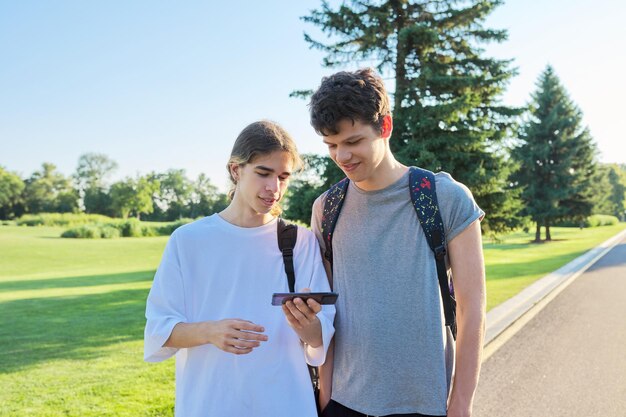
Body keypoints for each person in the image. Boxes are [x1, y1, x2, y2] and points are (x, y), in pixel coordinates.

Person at [308, 68, 486, 417]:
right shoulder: (325, 209)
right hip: (344, 403)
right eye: (331, 145)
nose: (341, 156)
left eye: (353, 141)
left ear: (385, 127)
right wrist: (326, 395)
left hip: (425, 404)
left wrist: (462, 401)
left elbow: (472, 307)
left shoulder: (445, 198)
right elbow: (326, 311)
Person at [144, 120, 335, 417]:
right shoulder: (188, 240)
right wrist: (210, 331)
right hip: (210, 404)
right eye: (263, 173)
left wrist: (308, 325)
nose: (274, 188)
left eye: (284, 177)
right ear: (236, 169)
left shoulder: (300, 242)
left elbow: (320, 338)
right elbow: (159, 331)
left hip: (286, 403)